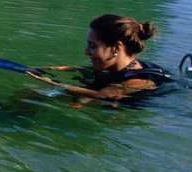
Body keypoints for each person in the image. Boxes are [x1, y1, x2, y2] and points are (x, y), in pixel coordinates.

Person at [29, 13, 174, 106]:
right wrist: (48, 69)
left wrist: (54, 83)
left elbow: (102, 95)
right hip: (107, 90)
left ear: (116, 48)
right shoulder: (115, 66)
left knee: (40, 96)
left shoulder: (138, 82)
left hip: (119, 109)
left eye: (93, 46)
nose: (86, 52)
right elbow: (85, 70)